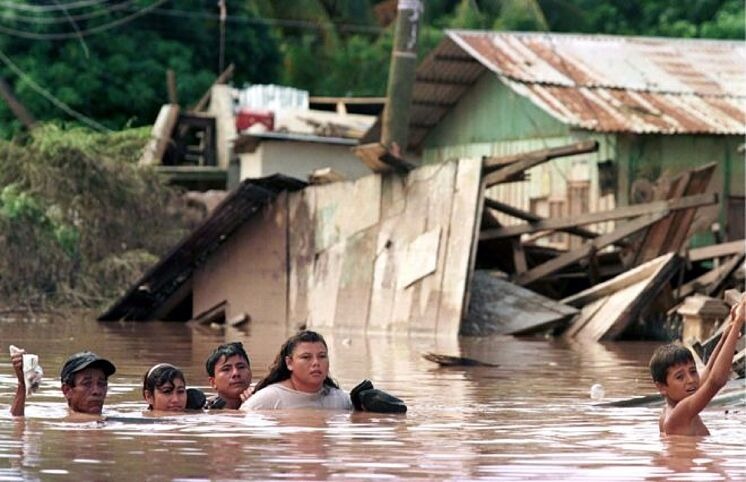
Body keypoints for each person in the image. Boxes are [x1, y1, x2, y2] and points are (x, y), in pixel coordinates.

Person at [649, 295, 745, 436]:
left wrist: (726, 335)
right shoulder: (678, 414)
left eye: (693, 371)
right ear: (662, 387)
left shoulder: (676, 405)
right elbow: (716, 381)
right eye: (680, 377)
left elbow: (708, 373)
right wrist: (738, 322)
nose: (691, 380)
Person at [241, 330, 353, 411]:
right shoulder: (268, 399)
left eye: (322, 356)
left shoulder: (341, 400)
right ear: (289, 363)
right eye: (306, 357)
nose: (316, 363)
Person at [10, 350, 116, 417]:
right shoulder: (57, 419)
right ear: (67, 390)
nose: (97, 391)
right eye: (87, 383)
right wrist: (22, 384)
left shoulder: (114, 419)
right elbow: (17, 422)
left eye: (101, 384)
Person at [204, 342, 252, 409]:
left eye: (241, 367)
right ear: (213, 382)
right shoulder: (203, 409)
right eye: (226, 369)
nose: (236, 373)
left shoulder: (265, 402)